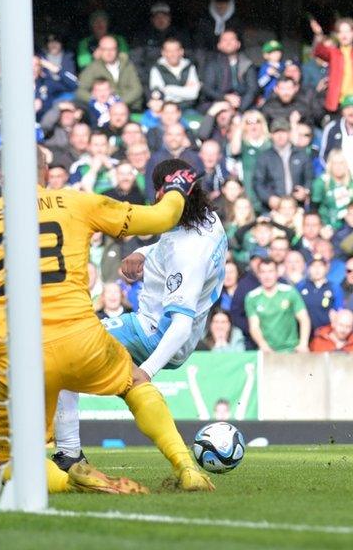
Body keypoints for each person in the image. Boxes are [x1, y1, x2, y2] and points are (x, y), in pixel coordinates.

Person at [0, 150, 212, 493]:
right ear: (46, 172)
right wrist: (178, 188)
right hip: (81, 337)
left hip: (16, 354)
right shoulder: (76, 203)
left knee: (2, 462)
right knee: (134, 382)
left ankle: (71, 481)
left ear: (1, 179)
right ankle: (187, 467)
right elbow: (162, 218)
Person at [54, 157, 230, 468]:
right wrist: (143, 253)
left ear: (164, 195)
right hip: (157, 325)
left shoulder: (187, 253)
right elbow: (174, 248)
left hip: (152, 332)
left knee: (63, 352)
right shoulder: (208, 221)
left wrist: (147, 370)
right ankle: (183, 464)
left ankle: (68, 453)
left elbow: (180, 324)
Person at [245, 258, 311, 354]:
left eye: (271, 271)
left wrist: (303, 343)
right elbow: (254, 326)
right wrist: (263, 345)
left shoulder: (290, 292)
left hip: (291, 349)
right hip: (267, 351)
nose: (267, 276)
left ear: (277, 273)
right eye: (263, 272)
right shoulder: (252, 297)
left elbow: (304, 318)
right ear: (258, 275)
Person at [312, 17, 353, 115]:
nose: (344, 35)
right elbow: (319, 51)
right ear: (337, 35)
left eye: (347, 32)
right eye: (340, 32)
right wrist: (319, 35)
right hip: (338, 101)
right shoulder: (333, 52)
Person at [253, 118, 312, 213]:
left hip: (297, 206)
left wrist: (305, 191)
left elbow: (310, 178)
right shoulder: (264, 157)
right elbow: (258, 183)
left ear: (289, 133)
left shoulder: (302, 155)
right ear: (271, 135)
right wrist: (269, 198)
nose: (280, 136)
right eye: (276, 132)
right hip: (273, 208)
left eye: (283, 131)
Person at [76, 36, 143, 111]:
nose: (109, 53)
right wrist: (97, 102)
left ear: (117, 50)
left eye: (112, 49)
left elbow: (137, 89)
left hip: (127, 107)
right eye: (105, 49)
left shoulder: (127, 65)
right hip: (101, 110)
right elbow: (81, 91)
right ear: (99, 50)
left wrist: (118, 103)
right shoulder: (92, 67)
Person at [200, 29, 258, 112]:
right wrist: (225, 97)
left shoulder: (247, 64)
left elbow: (252, 89)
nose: (228, 43)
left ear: (238, 44)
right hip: (218, 103)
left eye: (232, 39)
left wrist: (240, 108)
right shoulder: (212, 64)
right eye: (225, 40)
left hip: (242, 104)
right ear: (219, 45)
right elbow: (208, 88)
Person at [148, 37, 201, 111]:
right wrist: (184, 90)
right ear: (163, 53)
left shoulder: (190, 66)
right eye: (169, 51)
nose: (172, 54)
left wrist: (168, 89)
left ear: (181, 52)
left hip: (188, 108)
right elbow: (158, 94)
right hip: (166, 110)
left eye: (175, 51)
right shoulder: (156, 68)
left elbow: (194, 94)